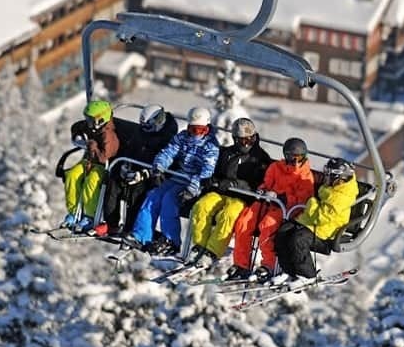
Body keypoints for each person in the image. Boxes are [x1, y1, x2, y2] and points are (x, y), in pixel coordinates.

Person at [118, 106, 220, 256]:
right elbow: (168, 152)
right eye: (193, 130)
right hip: (177, 176)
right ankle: (141, 235)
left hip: (193, 183)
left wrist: (192, 188)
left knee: (169, 200)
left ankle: (171, 241)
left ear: (207, 128)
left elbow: (207, 171)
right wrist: (159, 166)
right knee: (153, 196)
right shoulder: (182, 137)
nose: (196, 135)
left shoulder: (211, 146)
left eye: (200, 131)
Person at [226, 137, 315, 282]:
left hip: (286, 209)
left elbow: (303, 199)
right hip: (267, 202)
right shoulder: (276, 168)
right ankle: (241, 264)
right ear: (286, 156)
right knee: (244, 222)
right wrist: (262, 191)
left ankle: (269, 265)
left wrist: (282, 197)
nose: (296, 161)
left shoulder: (305, 176)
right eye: (292, 158)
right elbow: (266, 183)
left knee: (266, 226)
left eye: (300, 158)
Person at [188, 117, 272, 268]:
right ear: (235, 139)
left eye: (249, 140)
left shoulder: (260, 159)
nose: (247, 144)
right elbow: (217, 171)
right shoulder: (227, 153)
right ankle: (199, 246)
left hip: (242, 198)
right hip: (221, 192)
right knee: (201, 206)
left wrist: (235, 184)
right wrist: (211, 179)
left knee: (228, 215)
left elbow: (258, 185)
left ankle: (212, 252)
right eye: (242, 141)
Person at [92, 104, 178, 237]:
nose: (144, 129)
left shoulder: (170, 139)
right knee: (114, 181)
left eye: (147, 126)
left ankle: (130, 228)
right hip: (135, 168)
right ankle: (112, 224)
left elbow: (167, 163)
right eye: (142, 126)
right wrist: (125, 166)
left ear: (158, 122)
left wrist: (144, 174)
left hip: (154, 176)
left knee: (138, 190)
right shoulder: (141, 132)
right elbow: (130, 149)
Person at [273, 158, 359, 285]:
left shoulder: (341, 197)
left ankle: (307, 275)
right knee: (284, 230)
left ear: (339, 179)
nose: (326, 178)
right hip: (313, 225)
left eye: (329, 176)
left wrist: (311, 202)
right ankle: (288, 271)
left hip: (327, 233)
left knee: (298, 239)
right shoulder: (332, 189)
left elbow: (321, 218)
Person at [62, 100, 120, 232]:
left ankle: (90, 215)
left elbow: (104, 157)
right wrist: (77, 135)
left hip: (103, 166)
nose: (87, 122)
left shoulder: (109, 136)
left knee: (91, 182)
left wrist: (93, 147)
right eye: (87, 119)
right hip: (89, 161)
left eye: (90, 119)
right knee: (72, 175)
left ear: (100, 119)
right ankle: (73, 212)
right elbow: (77, 126)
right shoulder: (92, 126)